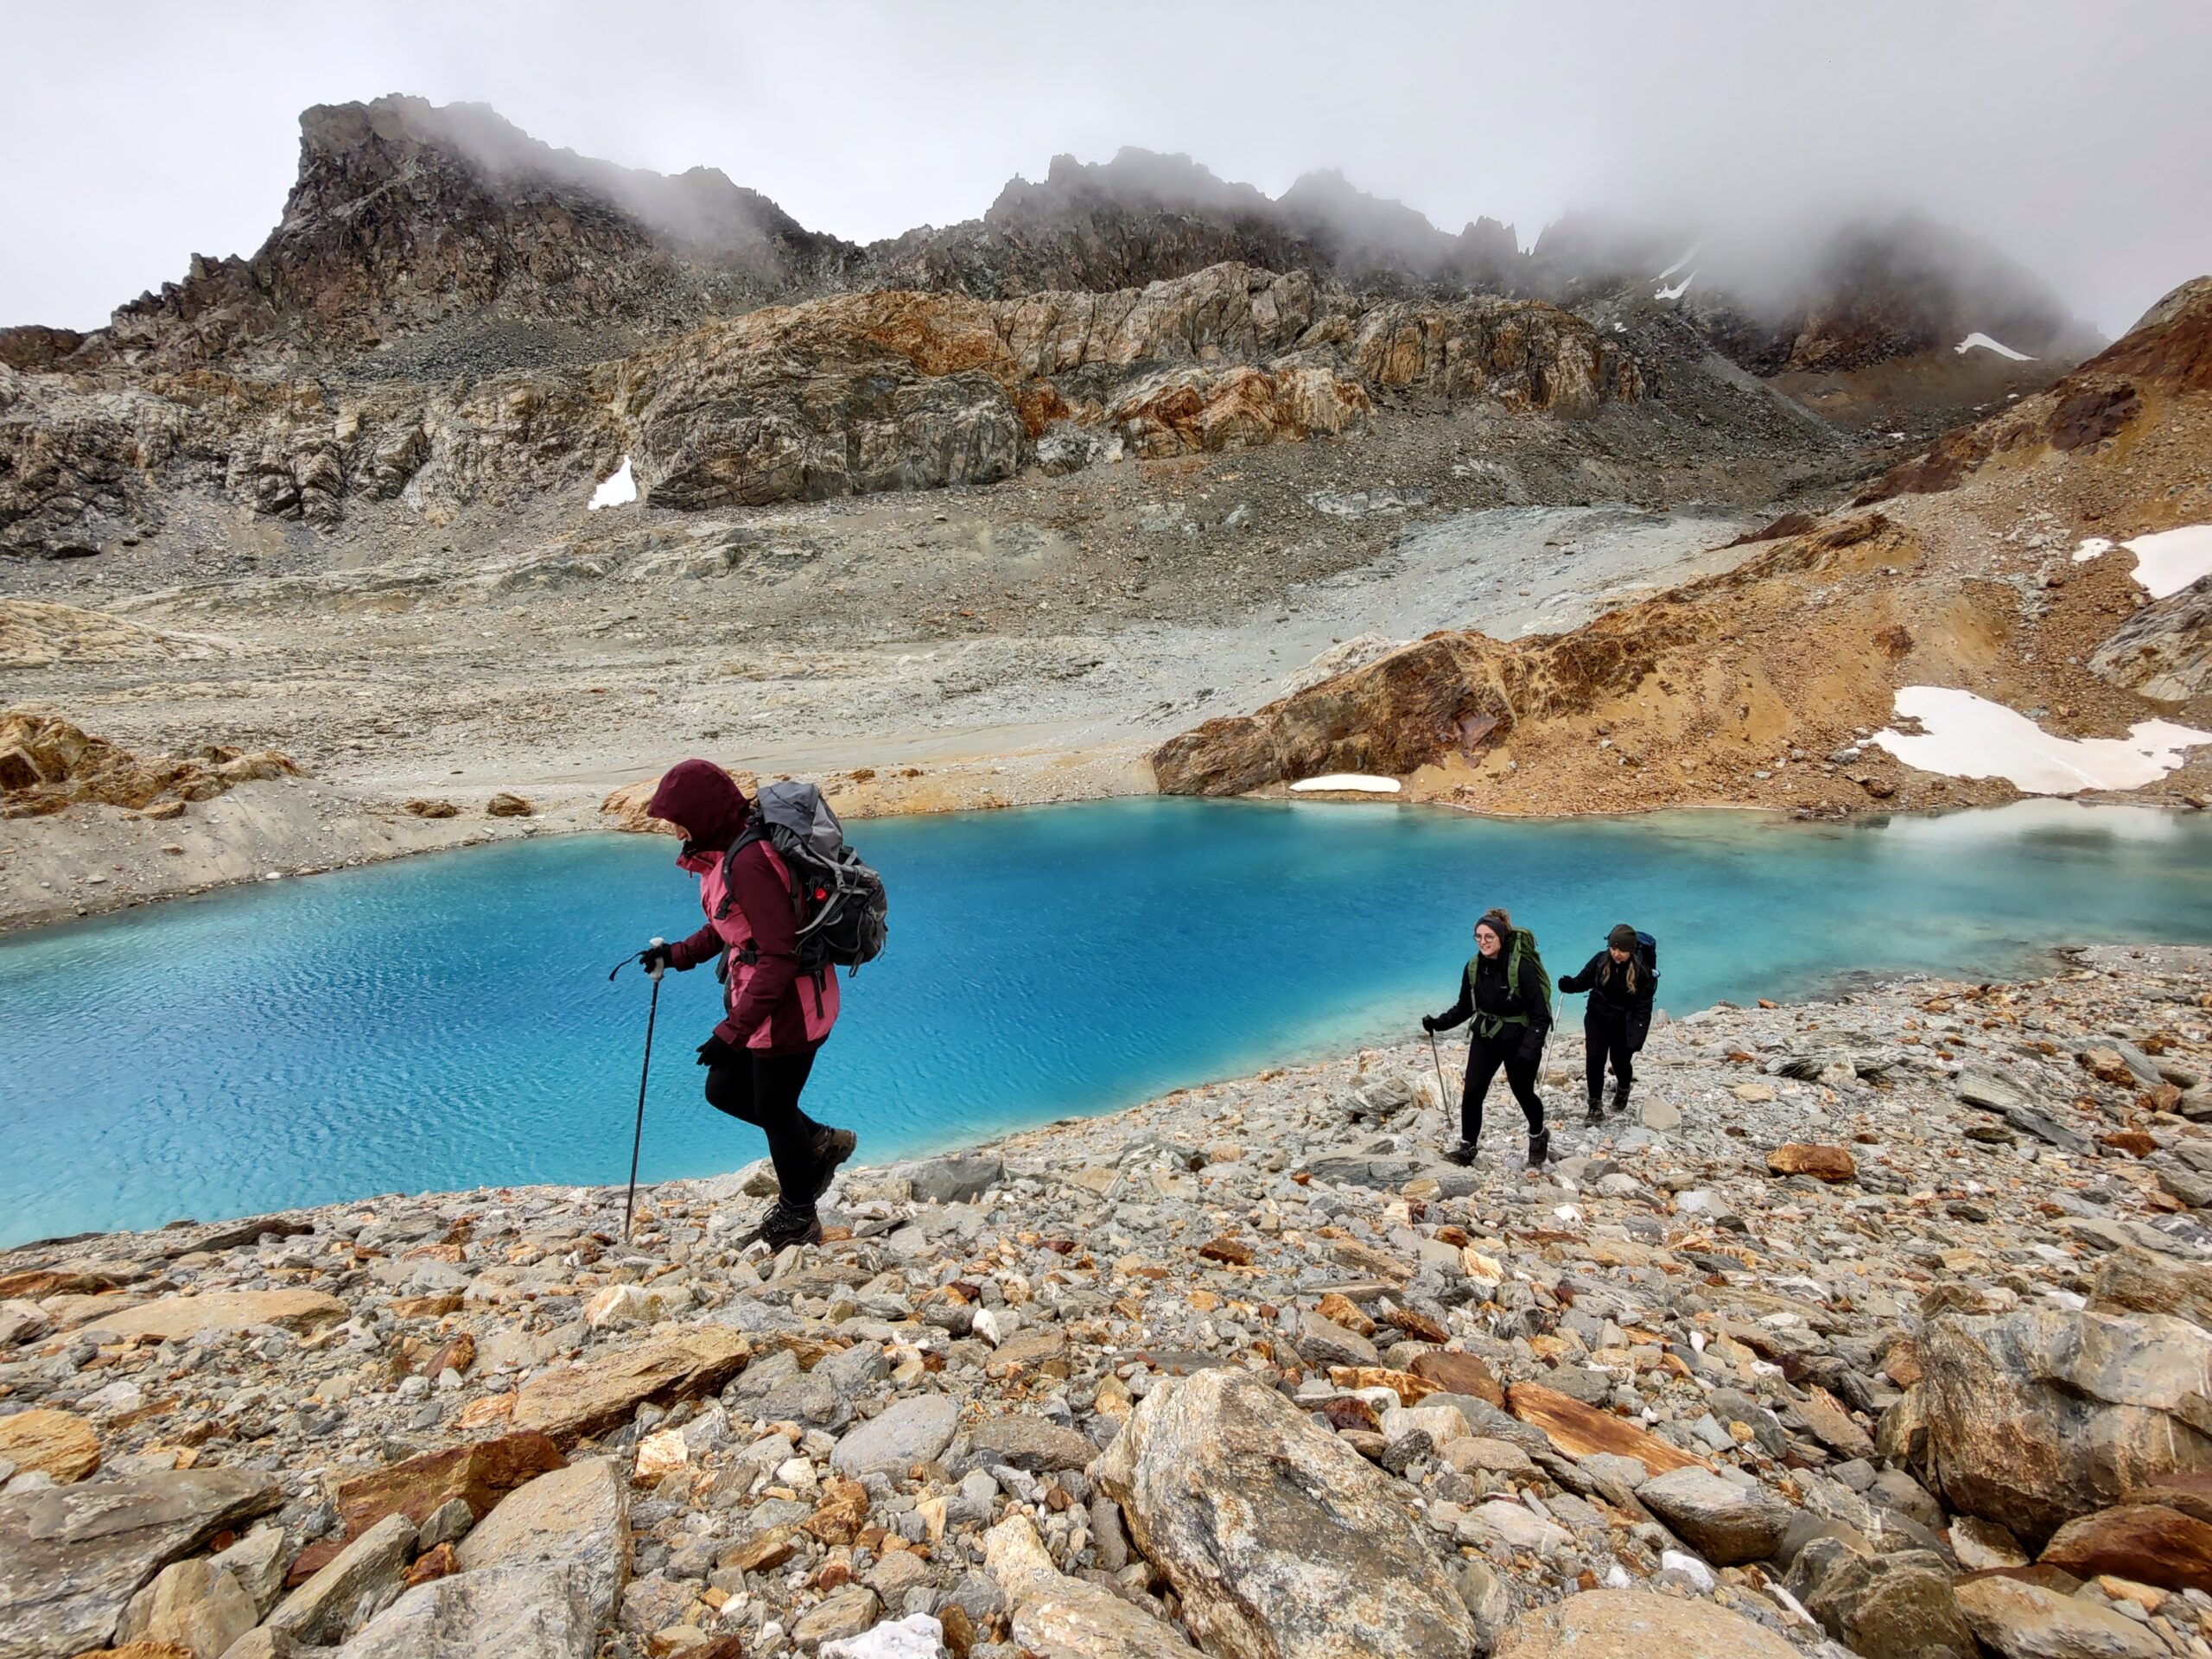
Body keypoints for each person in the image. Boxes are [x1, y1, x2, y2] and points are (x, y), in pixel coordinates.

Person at [634, 759, 855, 1249]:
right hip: (766, 1002)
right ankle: (820, 1143)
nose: (675, 831)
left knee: (774, 1107)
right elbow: (730, 925)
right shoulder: (728, 855)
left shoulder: (750, 861)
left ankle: (798, 1217)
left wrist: (733, 1031)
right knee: (726, 1090)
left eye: (678, 820)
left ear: (702, 812)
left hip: (791, 1007)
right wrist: (676, 954)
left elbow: (779, 955)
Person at [1422, 907, 1552, 1168]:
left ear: (1501, 937)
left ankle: (1538, 1133)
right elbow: (1465, 1007)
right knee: (1472, 1091)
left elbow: (1540, 1016)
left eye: (1489, 937)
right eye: (1478, 937)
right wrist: (1438, 1023)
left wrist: (1530, 1049)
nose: (1483, 942)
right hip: (1486, 1036)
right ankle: (1467, 1148)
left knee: (1523, 1092)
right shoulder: (1473, 967)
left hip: (1519, 1039)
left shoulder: (1521, 967)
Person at [1559, 924, 1656, 1126]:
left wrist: (1637, 1038)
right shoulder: (1600, 960)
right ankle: (1595, 1107)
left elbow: (1643, 1010)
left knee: (1620, 1062)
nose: (1617, 954)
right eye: (1613, 948)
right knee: (1594, 1060)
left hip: (1623, 1023)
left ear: (1631, 950)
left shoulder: (1642, 972)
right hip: (1597, 1018)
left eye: (1622, 950)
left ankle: (1623, 1088)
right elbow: (1582, 981)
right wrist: (1569, 985)